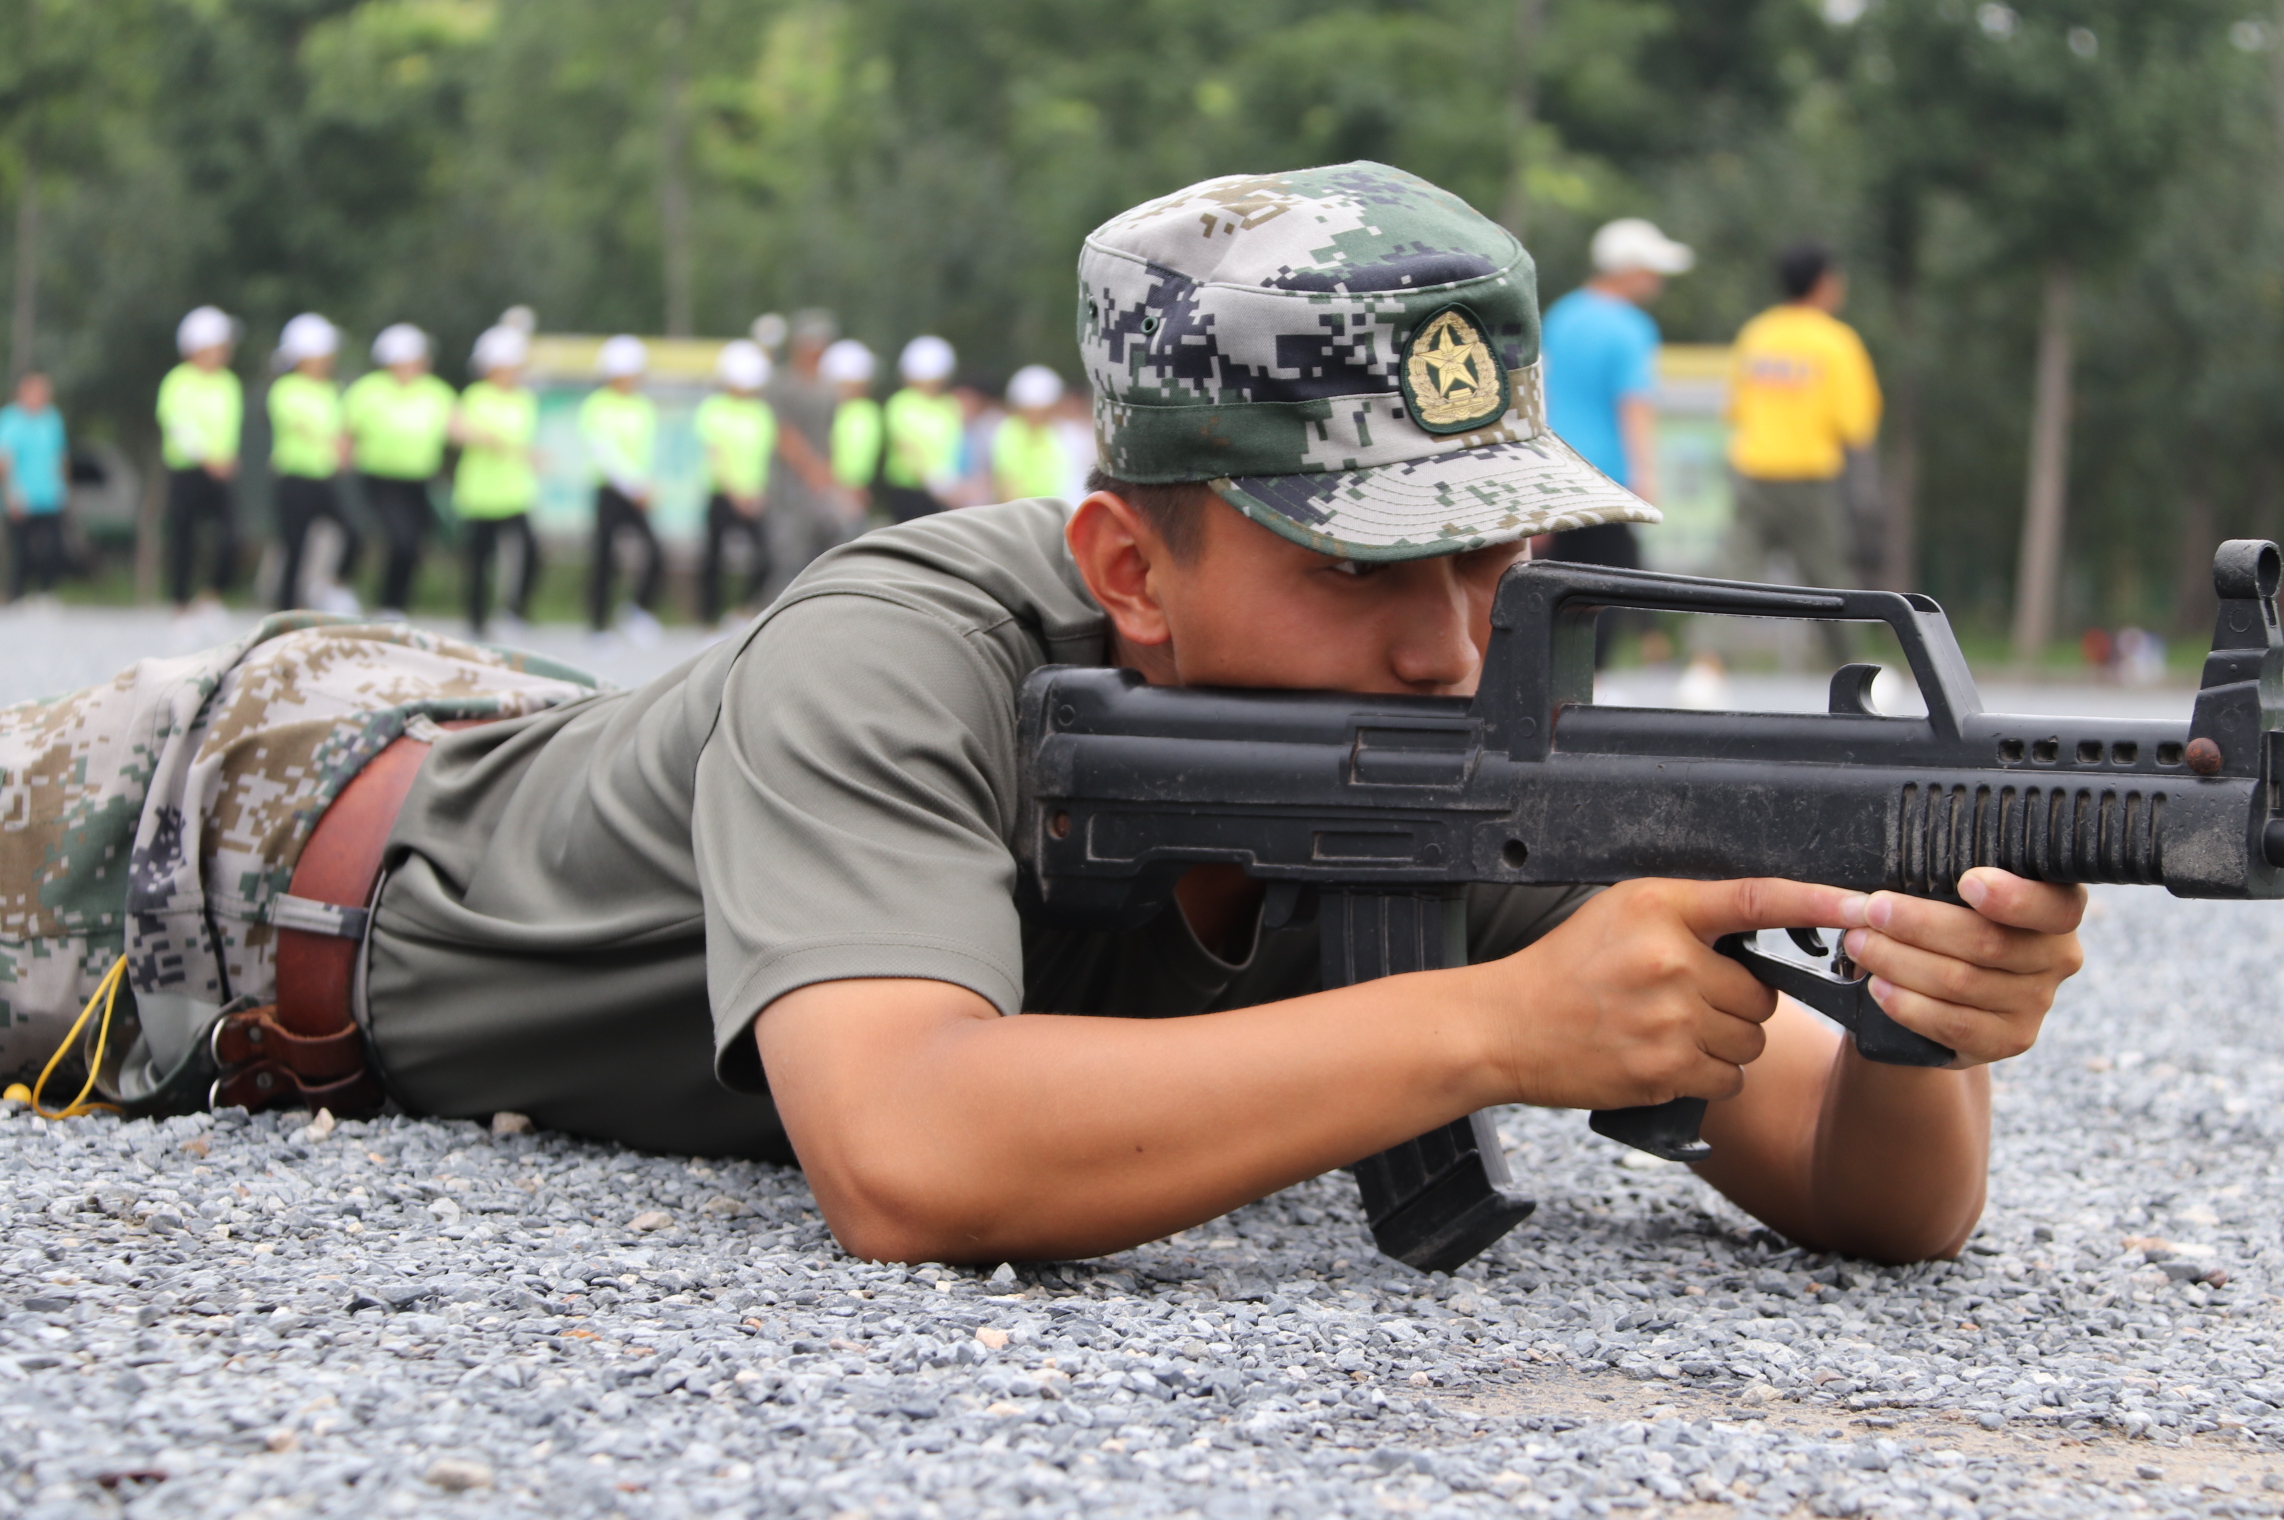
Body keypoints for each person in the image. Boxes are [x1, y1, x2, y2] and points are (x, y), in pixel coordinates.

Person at [0, 164, 2083, 1275]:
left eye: (1495, 554)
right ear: (1129, 562)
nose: (1455, 644)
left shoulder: (1472, 728)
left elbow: (1874, 1192)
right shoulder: (908, 640)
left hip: (540, 752)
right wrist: (1488, 1025)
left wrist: (1922, 1013)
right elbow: (909, 1151)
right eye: (1364, 563)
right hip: (224, 826)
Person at [1721, 242, 1882, 666]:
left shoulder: (1757, 333)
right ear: (1825, 283)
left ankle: (1707, 665)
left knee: (1735, 568)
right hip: (1809, 474)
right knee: (1827, 576)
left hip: (1753, 469)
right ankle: (1855, 668)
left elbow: (1734, 407)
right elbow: (1856, 425)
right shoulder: (1836, 342)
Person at [1543, 218, 1691, 670]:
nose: (1657, 280)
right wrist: (1644, 472)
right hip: (1606, 474)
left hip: (1555, 469)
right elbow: (1634, 404)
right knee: (1607, 584)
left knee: (1557, 580)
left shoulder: (1561, 313)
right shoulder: (1631, 327)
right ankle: (1591, 678)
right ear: (1627, 270)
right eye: (1650, 269)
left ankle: (1549, 675)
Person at [344, 323, 458, 617]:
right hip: (379, 479)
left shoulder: (435, 391)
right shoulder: (368, 390)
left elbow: (459, 427)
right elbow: (346, 433)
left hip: (420, 481)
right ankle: (379, 599)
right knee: (397, 538)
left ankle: (396, 603)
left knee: (414, 543)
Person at [266, 314, 361, 614]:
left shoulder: (331, 390)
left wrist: (346, 446)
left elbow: (342, 427)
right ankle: (285, 610)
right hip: (294, 479)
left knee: (352, 534)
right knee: (294, 548)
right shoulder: (285, 388)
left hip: (323, 479)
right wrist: (333, 442)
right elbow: (301, 424)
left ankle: (329, 586)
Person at [452, 325, 543, 638]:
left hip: (515, 492)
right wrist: (488, 438)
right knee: (480, 561)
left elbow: (521, 440)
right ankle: (477, 621)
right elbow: (458, 430)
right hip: (480, 494)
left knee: (532, 551)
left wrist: (530, 456)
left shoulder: (524, 399)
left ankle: (515, 607)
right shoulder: (475, 395)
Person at [156, 305, 244, 623]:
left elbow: (230, 427)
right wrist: (207, 458)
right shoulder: (178, 381)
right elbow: (178, 426)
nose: (226, 350)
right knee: (184, 537)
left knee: (234, 536)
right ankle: (180, 602)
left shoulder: (229, 382)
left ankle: (212, 596)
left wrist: (228, 457)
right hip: (188, 471)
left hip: (221, 472)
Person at [580, 334, 662, 642]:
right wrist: (635, 485)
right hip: (611, 491)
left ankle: (637, 610)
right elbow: (604, 452)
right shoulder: (597, 404)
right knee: (604, 558)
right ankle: (597, 626)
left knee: (656, 552)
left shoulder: (643, 405)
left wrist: (647, 484)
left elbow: (646, 450)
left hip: (639, 492)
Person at [762, 309, 849, 582]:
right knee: (788, 556)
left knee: (831, 548)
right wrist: (813, 470)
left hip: (820, 482)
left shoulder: (829, 388)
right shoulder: (781, 383)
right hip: (788, 484)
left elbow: (829, 434)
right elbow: (783, 433)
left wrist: (831, 476)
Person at [697, 339, 778, 626]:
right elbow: (715, 455)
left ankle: (743, 611)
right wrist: (735, 493)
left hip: (754, 496)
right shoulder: (714, 407)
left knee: (767, 559)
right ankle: (708, 621)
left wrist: (758, 493)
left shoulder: (762, 412)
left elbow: (765, 457)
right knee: (713, 560)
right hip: (723, 494)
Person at [879, 335, 964, 523]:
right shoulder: (900, 403)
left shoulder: (950, 405)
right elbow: (905, 446)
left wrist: (952, 484)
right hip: (909, 489)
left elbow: (955, 446)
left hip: (946, 490)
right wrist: (936, 482)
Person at [0, 371, 69, 603]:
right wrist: (10, 494)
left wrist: (64, 489)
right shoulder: (10, 419)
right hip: (22, 496)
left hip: (49, 494)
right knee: (23, 550)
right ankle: (17, 594)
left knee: (55, 546)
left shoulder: (52, 419)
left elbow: (60, 457)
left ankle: (46, 592)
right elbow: (5, 460)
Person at [990, 365, 1075, 502]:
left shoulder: (1061, 431)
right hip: (1026, 511)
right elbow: (1006, 481)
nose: (1036, 416)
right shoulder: (1009, 431)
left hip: (1059, 508)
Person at [820, 339, 883, 516]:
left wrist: (857, 488)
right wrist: (844, 489)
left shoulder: (869, 410)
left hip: (858, 492)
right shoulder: (827, 411)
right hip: (830, 492)